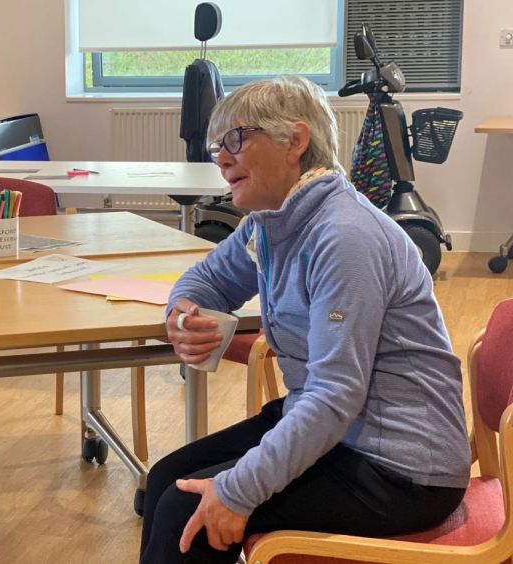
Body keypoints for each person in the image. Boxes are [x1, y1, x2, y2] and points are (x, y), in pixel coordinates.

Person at [140, 76, 470, 564]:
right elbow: (204, 280)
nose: (221, 158)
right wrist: (182, 312)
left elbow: (335, 395)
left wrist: (239, 490)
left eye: (236, 139)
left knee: (186, 509)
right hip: (337, 426)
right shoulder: (270, 222)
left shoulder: (343, 237)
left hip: (401, 466)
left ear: (295, 141)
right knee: (166, 478)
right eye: (218, 146)